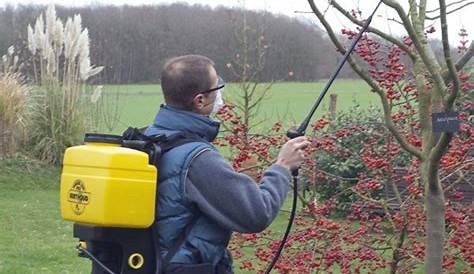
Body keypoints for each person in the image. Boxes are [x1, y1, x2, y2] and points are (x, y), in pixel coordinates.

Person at [145, 55, 309, 274]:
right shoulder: (197, 159)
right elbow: (256, 212)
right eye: (217, 87)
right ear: (200, 100)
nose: (221, 96)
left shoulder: (149, 139)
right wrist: (282, 166)